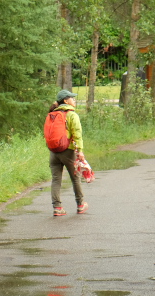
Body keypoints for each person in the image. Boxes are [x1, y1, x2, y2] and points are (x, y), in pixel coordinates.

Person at [48, 89, 88, 217]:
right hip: (68, 151)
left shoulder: (52, 114)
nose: (74, 100)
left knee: (56, 180)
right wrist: (80, 151)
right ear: (66, 100)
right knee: (75, 178)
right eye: (72, 98)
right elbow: (77, 134)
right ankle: (81, 204)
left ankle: (57, 207)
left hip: (54, 152)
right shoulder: (71, 115)